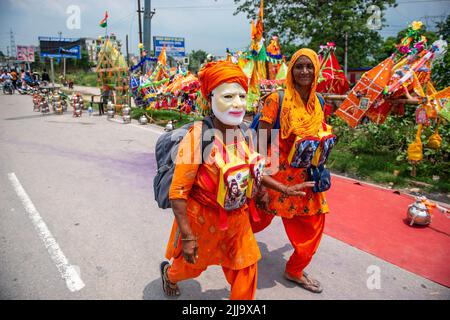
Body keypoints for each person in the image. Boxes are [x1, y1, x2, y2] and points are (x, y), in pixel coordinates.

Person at [252, 48, 330, 294]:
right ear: (292, 70)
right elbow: (262, 141)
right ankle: (214, 241)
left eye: (309, 66)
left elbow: (318, 133)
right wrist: (259, 181)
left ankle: (294, 270)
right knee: (251, 219)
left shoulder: (318, 101)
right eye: (299, 66)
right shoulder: (276, 99)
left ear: (315, 70)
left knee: (315, 225)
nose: (304, 71)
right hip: (275, 174)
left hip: (307, 178)